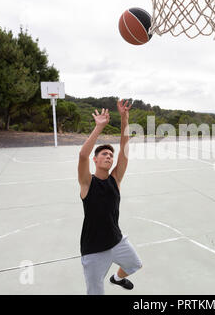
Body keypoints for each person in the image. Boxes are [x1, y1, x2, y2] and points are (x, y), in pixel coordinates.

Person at [77, 99, 142, 295]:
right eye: (104, 154)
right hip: (94, 249)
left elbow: (124, 148)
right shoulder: (87, 183)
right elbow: (82, 156)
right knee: (95, 292)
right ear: (95, 160)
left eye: (110, 155)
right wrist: (99, 127)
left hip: (116, 240)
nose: (109, 157)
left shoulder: (115, 179)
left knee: (134, 265)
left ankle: (117, 278)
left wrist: (125, 118)